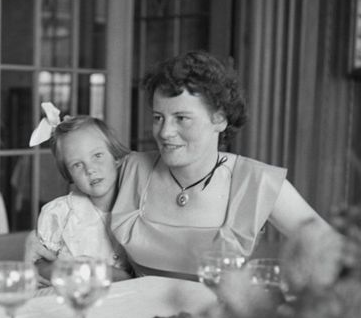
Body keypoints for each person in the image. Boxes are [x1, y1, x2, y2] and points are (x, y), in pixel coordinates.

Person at [110, 49, 331, 280]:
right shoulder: (131, 169)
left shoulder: (257, 182)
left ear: (220, 119)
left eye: (181, 118)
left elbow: (338, 256)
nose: (165, 132)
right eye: (158, 118)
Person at [27, 104, 132, 285]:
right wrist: (77, 270)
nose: (90, 169)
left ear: (116, 157)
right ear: (68, 174)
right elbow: (40, 266)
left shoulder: (138, 205)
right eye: (77, 165)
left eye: (97, 156)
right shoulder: (58, 213)